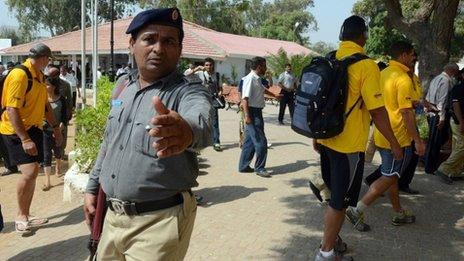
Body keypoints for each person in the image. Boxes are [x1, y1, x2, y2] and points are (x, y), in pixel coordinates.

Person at [83, 7, 212, 260]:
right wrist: (93, 186)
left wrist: (186, 132)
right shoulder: (123, 88)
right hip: (112, 217)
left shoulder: (188, 92)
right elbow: (109, 143)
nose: (158, 48)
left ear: (180, 50)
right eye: (149, 39)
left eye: (169, 41)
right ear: (132, 44)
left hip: (159, 221)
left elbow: (202, 122)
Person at [314, 16, 402, 261]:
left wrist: (316, 137)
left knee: (334, 196)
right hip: (348, 147)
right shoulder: (367, 65)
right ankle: (325, 253)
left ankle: (333, 242)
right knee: (339, 202)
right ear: (363, 35)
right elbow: (377, 110)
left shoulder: (330, 58)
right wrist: (394, 142)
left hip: (326, 141)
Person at [346, 41, 426, 232]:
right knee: (390, 176)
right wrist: (417, 140)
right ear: (404, 55)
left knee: (392, 176)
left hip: (383, 134)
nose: (414, 58)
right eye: (413, 54)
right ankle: (357, 209)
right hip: (399, 138)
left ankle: (398, 212)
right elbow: (407, 114)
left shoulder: (382, 74)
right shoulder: (403, 78)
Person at [1, 43, 63, 234]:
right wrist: (25, 139)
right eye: (49, 59)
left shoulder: (39, 76)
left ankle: (26, 215)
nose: (48, 63)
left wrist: (56, 129)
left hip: (33, 128)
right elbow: (11, 109)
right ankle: (20, 217)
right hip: (14, 130)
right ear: (44, 58)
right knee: (28, 172)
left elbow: (45, 106)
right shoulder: (20, 75)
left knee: (34, 172)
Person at [238, 56, 281, 178]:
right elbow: (244, 99)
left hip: (255, 112)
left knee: (249, 141)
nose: (266, 68)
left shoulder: (256, 79)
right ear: (259, 67)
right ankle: (260, 168)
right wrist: (247, 116)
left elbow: (263, 90)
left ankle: (243, 166)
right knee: (261, 141)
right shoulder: (250, 79)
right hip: (252, 113)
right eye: (265, 66)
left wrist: (275, 96)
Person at [424, 63, 460, 174]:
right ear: (453, 71)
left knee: (436, 139)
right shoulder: (446, 81)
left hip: (431, 112)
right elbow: (442, 101)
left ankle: (429, 165)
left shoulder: (436, 78)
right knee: (435, 141)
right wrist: (442, 118)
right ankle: (430, 167)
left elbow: (429, 95)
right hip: (438, 114)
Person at [435, 75, 464, 184]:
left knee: (458, 146)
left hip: (459, 121)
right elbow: (455, 105)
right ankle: (444, 169)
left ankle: (455, 172)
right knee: (462, 147)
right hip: (458, 121)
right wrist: (461, 122)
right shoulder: (459, 88)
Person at [42, 76, 68, 191]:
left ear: (53, 87)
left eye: (47, 85)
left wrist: (61, 127)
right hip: (45, 131)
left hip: (58, 130)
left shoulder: (61, 99)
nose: (45, 87)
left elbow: (64, 116)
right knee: (46, 154)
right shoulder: (42, 99)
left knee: (57, 151)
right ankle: (47, 181)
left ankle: (58, 167)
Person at [195, 58, 223, 151]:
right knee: (201, 121)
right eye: (206, 65)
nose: (209, 67)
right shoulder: (200, 74)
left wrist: (220, 93)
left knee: (215, 122)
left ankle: (216, 142)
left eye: (210, 65)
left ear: (213, 65)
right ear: (204, 65)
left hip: (214, 101)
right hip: (202, 101)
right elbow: (186, 75)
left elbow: (220, 88)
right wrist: (197, 69)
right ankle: (199, 142)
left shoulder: (217, 75)